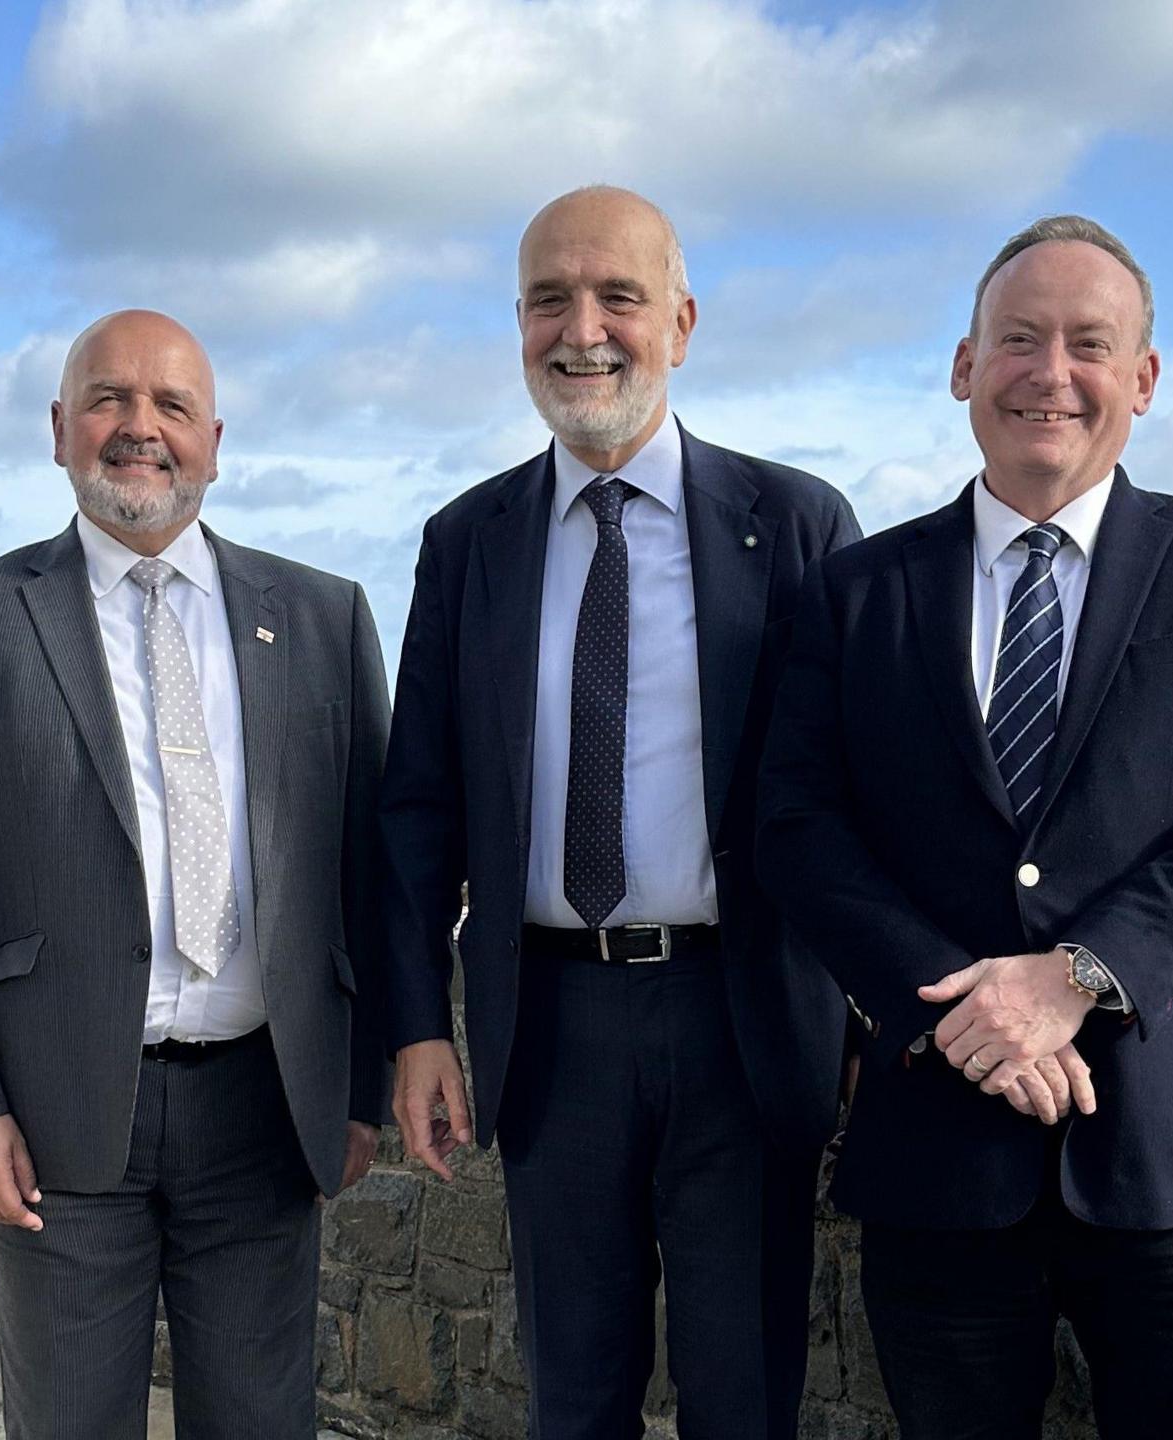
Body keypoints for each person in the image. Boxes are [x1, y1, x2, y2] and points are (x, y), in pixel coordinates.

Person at [755, 216, 1173, 1438]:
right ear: (965, 366)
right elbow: (797, 827)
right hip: (938, 1155)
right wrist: (963, 1013)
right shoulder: (856, 593)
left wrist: (1078, 976)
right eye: (1017, 340)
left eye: (1087, 344)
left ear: (1142, 379)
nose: (1048, 373)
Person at [377, 186, 860, 1438]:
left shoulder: (796, 526)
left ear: (682, 323)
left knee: (742, 1395)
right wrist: (420, 1025)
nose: (580, 329)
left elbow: (860, 793)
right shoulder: (464, 541)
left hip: (741, 1021)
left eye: (617, 297)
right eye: (548, 298)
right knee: (571, 1396)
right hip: (550, 1026)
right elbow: (418, 805)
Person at [0, 309, 388, 1439]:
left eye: (171, 406)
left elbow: (369, 873)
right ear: (59, 429)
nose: (137, 428)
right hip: (55, 1118)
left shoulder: (321, 616)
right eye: (108, 399)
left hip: (265, 1108)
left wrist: (359, 1083)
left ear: (214, 439)